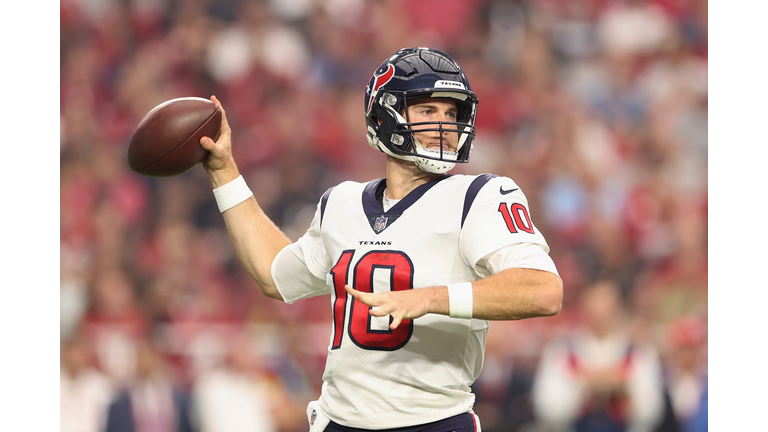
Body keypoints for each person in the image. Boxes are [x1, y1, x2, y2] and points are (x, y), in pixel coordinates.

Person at [198, 47, 563, 431]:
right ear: (385, 114)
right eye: (427, 110)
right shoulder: (341, 203)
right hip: (339, 421)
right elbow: (274, 276)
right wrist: (225, 173)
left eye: (452, 113)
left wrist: (431, 297)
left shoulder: (479, 197)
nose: (445, 124)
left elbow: (543, 290)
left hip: (432, 421)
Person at [530, 280, 665, 432]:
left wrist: (622, 387)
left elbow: (650, 413)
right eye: (594, 310)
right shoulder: (561, 351)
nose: (601, 315)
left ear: (619, 309)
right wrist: (585, 385)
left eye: (607, 309)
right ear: (583, 310)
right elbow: (548, 411)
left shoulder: (639, 351)